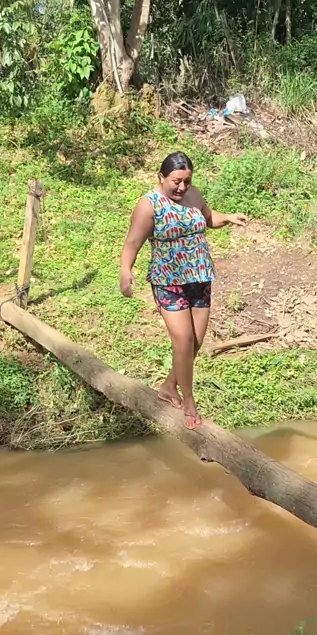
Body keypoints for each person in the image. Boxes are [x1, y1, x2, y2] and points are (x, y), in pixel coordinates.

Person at [119, 151, 247, 430]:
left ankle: (168, 387)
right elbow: (132, 242)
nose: (182, 187)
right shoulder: (149, 205)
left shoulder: (194, 195)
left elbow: (209, 218)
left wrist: (228, 217)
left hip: (200, 276)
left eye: (186, 181)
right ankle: (188, 401)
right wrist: (125, 270)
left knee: (195, 343)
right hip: (169, 281)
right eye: (176, 181)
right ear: (161, 177)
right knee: (183, 341)